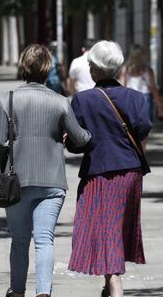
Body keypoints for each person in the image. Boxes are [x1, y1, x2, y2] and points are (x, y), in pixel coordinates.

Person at [0, 44, 91, 297]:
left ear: (23, 66)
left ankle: (16, 292)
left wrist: (5, 166)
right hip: (52, 181)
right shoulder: (60, 102)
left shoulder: (9, 99)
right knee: (44, 240)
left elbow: (0, 142)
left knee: (19, 241)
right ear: (48, 68)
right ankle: (44, 293)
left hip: (17, 181)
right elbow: (80, 139)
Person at [66, 41, 152, 297]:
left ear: (93, 70)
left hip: (99, 173)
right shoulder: (136, 99)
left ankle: (115, 285)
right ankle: (109, 284)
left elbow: (75, 143)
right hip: (131, 172)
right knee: (117, 228)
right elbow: (143, 129)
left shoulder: (83, 101)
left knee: (104, 230)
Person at [119, 44, 163, 122]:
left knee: (132, 124)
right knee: (146, 124)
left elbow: (122, 87)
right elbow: (153, 89)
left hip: (131, 98)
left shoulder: (125, 69)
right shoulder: (148, 70)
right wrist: (159, 107)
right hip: (145, 99)